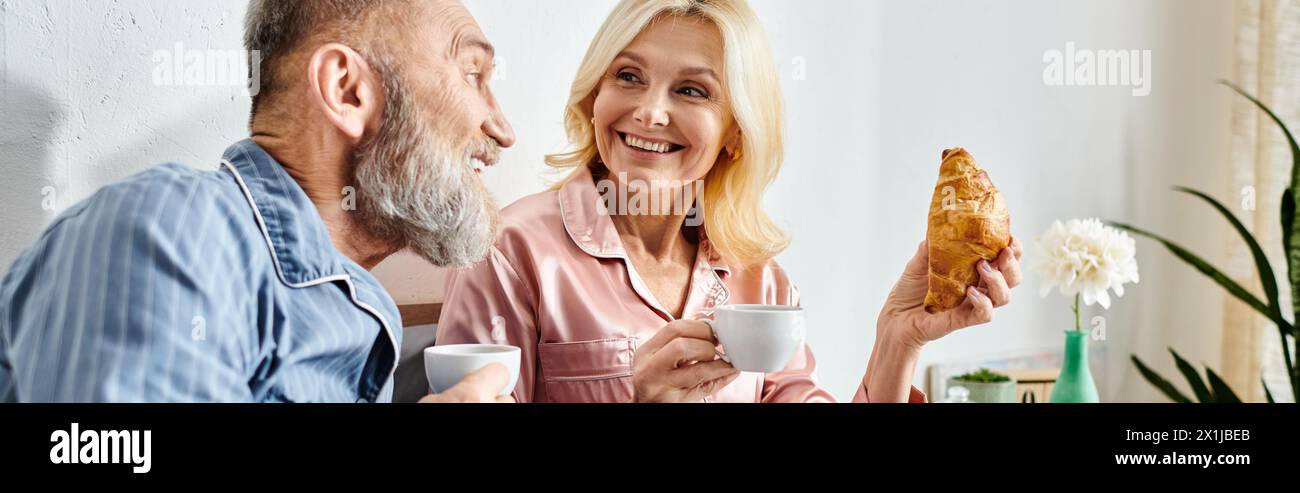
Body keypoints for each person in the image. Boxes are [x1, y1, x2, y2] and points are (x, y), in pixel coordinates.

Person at [435, 0, 1024, 403]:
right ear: (595, 95)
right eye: (628, 76)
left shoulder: (759, 283)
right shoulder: (510, 251)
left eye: (691, 90)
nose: (650, 111)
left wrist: (899, 337)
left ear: (735, 131)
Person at [0, 0, 516, 403]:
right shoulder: (171, 232)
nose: (503, 128)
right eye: (473, 74)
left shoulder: (356, 301)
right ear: (347, 91)